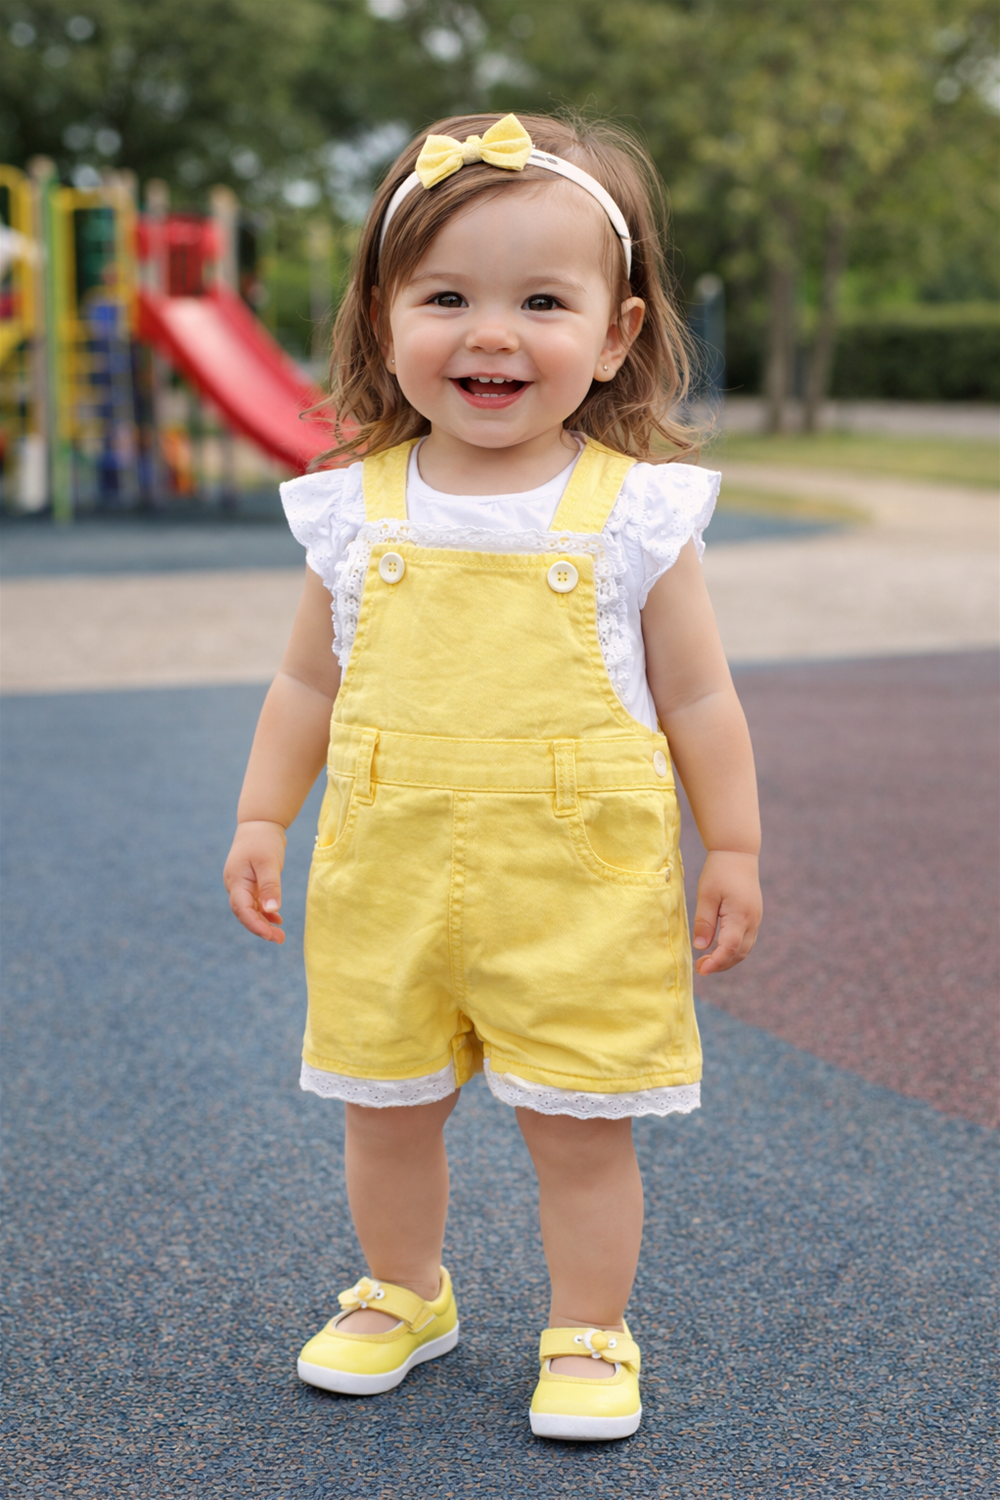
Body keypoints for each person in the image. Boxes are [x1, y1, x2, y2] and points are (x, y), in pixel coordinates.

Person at [224, 112, 762, 1442]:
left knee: (580, 1126)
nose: (491, 333)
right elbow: (308, 684)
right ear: (384, 313)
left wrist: (735, 845)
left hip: (574, 882)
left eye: (541, 300)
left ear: (619, 331)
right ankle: (404, 1290)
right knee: (385, 1107)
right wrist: (258, 813)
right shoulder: (354, 506)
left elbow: (699, 695)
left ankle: (589, 1327)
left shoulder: (635, 513)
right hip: (389, 865)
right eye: (447, 296)